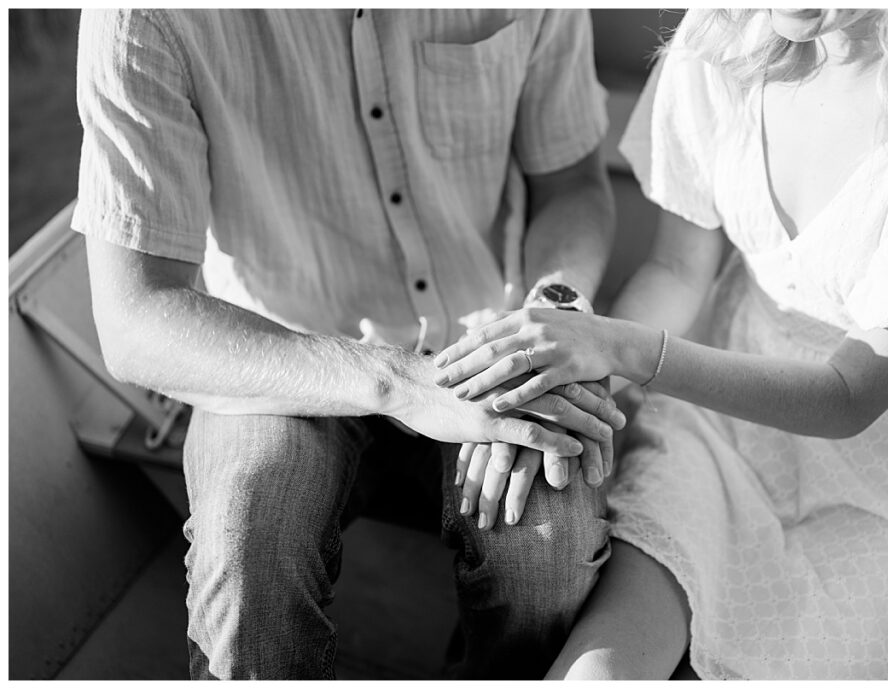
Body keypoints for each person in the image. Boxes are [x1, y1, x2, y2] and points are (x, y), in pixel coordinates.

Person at [433, 8, 888, 680]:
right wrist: (563, 385)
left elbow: (848, 397)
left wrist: (620, 349)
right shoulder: (727, 34)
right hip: (715, 430)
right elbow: (677, 273)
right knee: (598, 673)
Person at [72, 9, 625, 680]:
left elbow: (571, 186)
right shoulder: (144, 16)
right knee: (247, 543)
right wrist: (392, 381)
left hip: (486, 344)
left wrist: (550, 321)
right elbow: (137, 317)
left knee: (550, 537)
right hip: (276, 358)